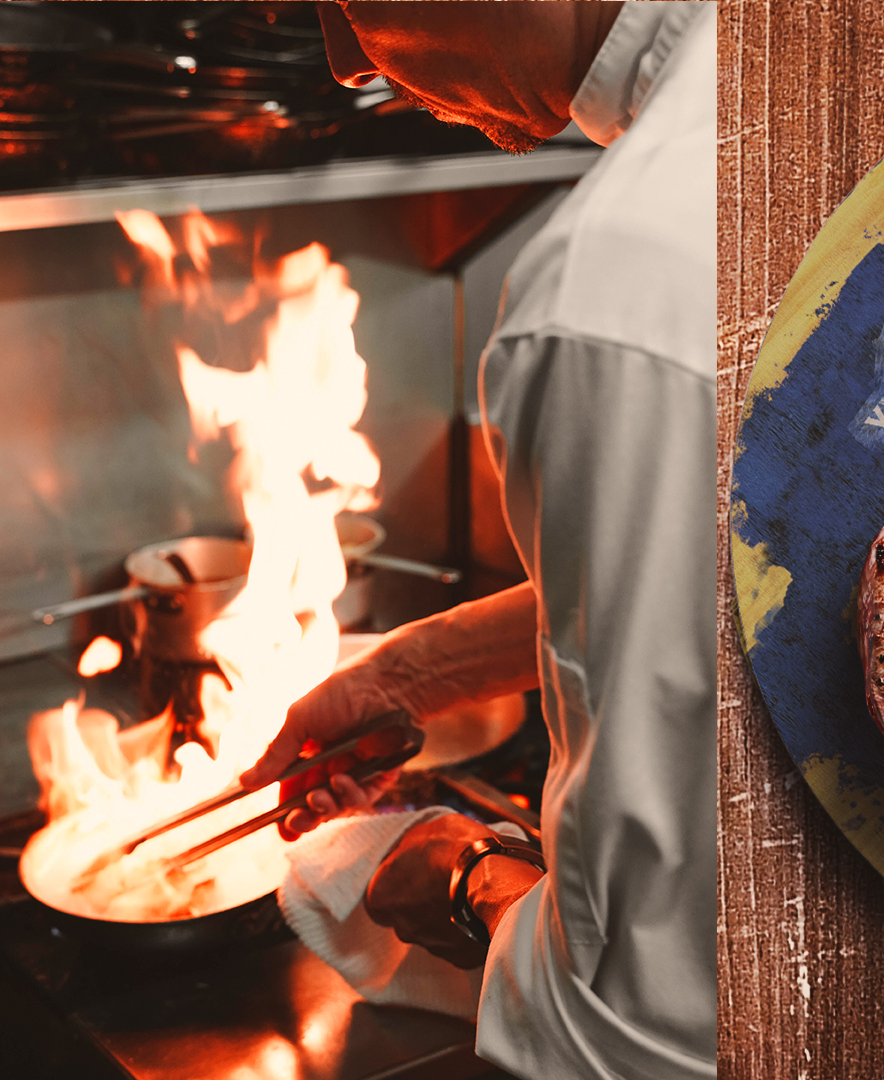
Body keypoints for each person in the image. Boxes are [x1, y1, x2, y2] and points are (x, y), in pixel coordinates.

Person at [235, 4, 716, 1078]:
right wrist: (421, 668)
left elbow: (654, 1028)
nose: (348, 61)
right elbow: (768, 571)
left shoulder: (615, 289)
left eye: (341, 0)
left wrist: (459, 878)